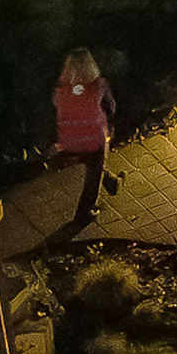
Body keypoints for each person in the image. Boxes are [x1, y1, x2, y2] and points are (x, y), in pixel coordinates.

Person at [52, 48, 120, 228]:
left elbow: (57, 106)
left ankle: (112, 181)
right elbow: (111, 106)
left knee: (92, 165)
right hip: (93, 139)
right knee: (93, 176)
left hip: (71, 139)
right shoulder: (99, 85)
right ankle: (84, 213)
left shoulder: (62, 90)